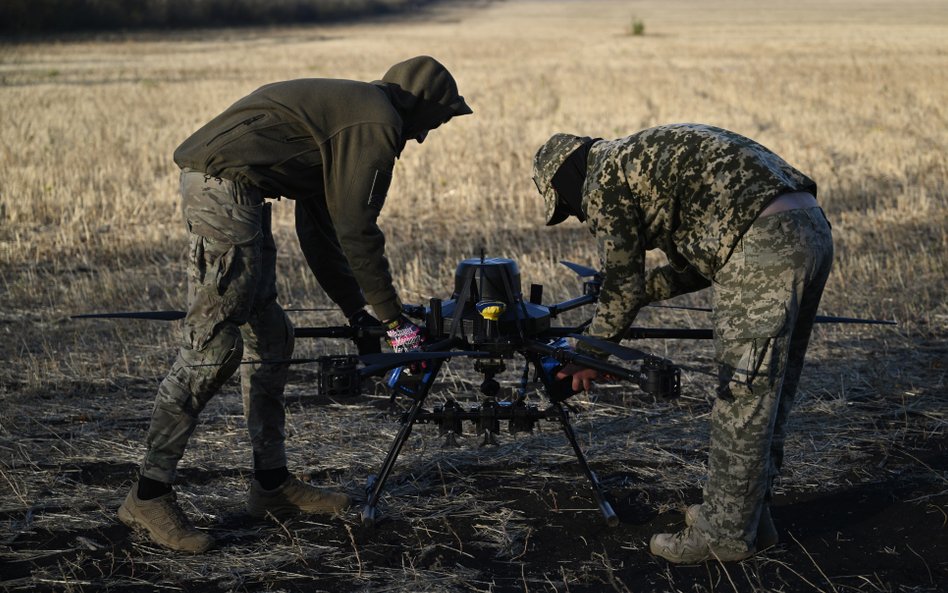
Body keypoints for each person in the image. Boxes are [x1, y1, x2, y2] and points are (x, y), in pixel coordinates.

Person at [117, 56, 473, 553]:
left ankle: (271, 485)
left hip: (241, 194)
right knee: (213, 350)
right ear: (420, 105)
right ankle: (148, 494)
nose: (422, 138)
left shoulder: (353, 115)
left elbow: (320, 232)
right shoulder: (377, 122)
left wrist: (359, 314)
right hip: (223, 190)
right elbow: (358, 232)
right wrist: (397, 324)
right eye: (433, 124)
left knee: (272, 338)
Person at [531, 124, 833, 564]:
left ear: (565, 179)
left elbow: (622, 282)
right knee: (770, 390)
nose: (579, 215)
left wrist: (590, 355)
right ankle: (747, 517)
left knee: (742, 395)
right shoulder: (641, 158)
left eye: (568, 207)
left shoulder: (603, 180)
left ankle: (723, 537)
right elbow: (691, 268)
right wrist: (637, 292)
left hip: (764, 245)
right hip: (810, 230)